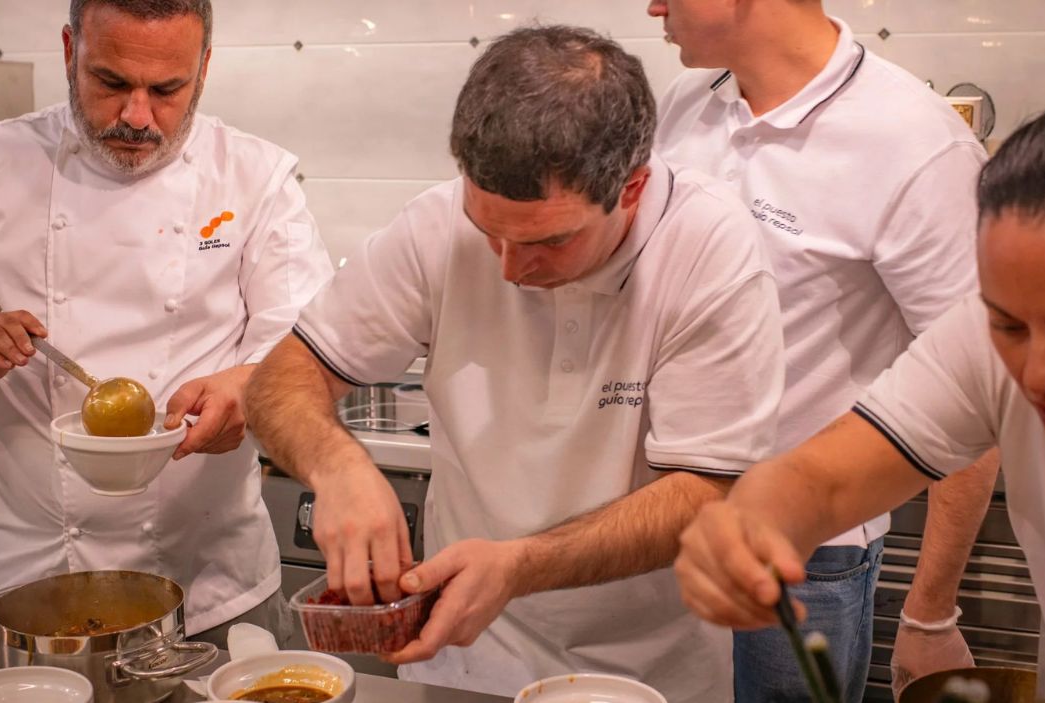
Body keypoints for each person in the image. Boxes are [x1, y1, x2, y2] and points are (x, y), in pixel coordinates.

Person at [246, 25, 784, 702]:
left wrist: (520, 565)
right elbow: (281, 378)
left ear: (633, 188)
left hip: (645, 675)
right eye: (487, 231)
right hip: (462, 662)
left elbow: (708, 491)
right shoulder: (435, 226)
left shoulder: (710, 249)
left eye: (549, 241)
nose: (509, 266)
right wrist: (338, 465)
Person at [0, 0, 333, 674]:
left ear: (203, 68)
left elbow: (305, 340)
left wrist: (249, 388)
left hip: (214, 593)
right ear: (68, 50)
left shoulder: (254, 179)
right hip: (29, 592)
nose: (137, 117)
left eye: (167, 90)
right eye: (110, 82)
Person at [673, 69, 1045, 688]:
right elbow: (825, 479)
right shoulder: (981, 340)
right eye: (1009, 324)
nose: (1037, 375)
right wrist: (748, 523)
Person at [645, 1, 1001, 698]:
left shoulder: (914, 142)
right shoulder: (685, 107)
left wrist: (930, 612)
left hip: (812, 555)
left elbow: (974, 393)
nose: (653, 5)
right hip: (677, 525)